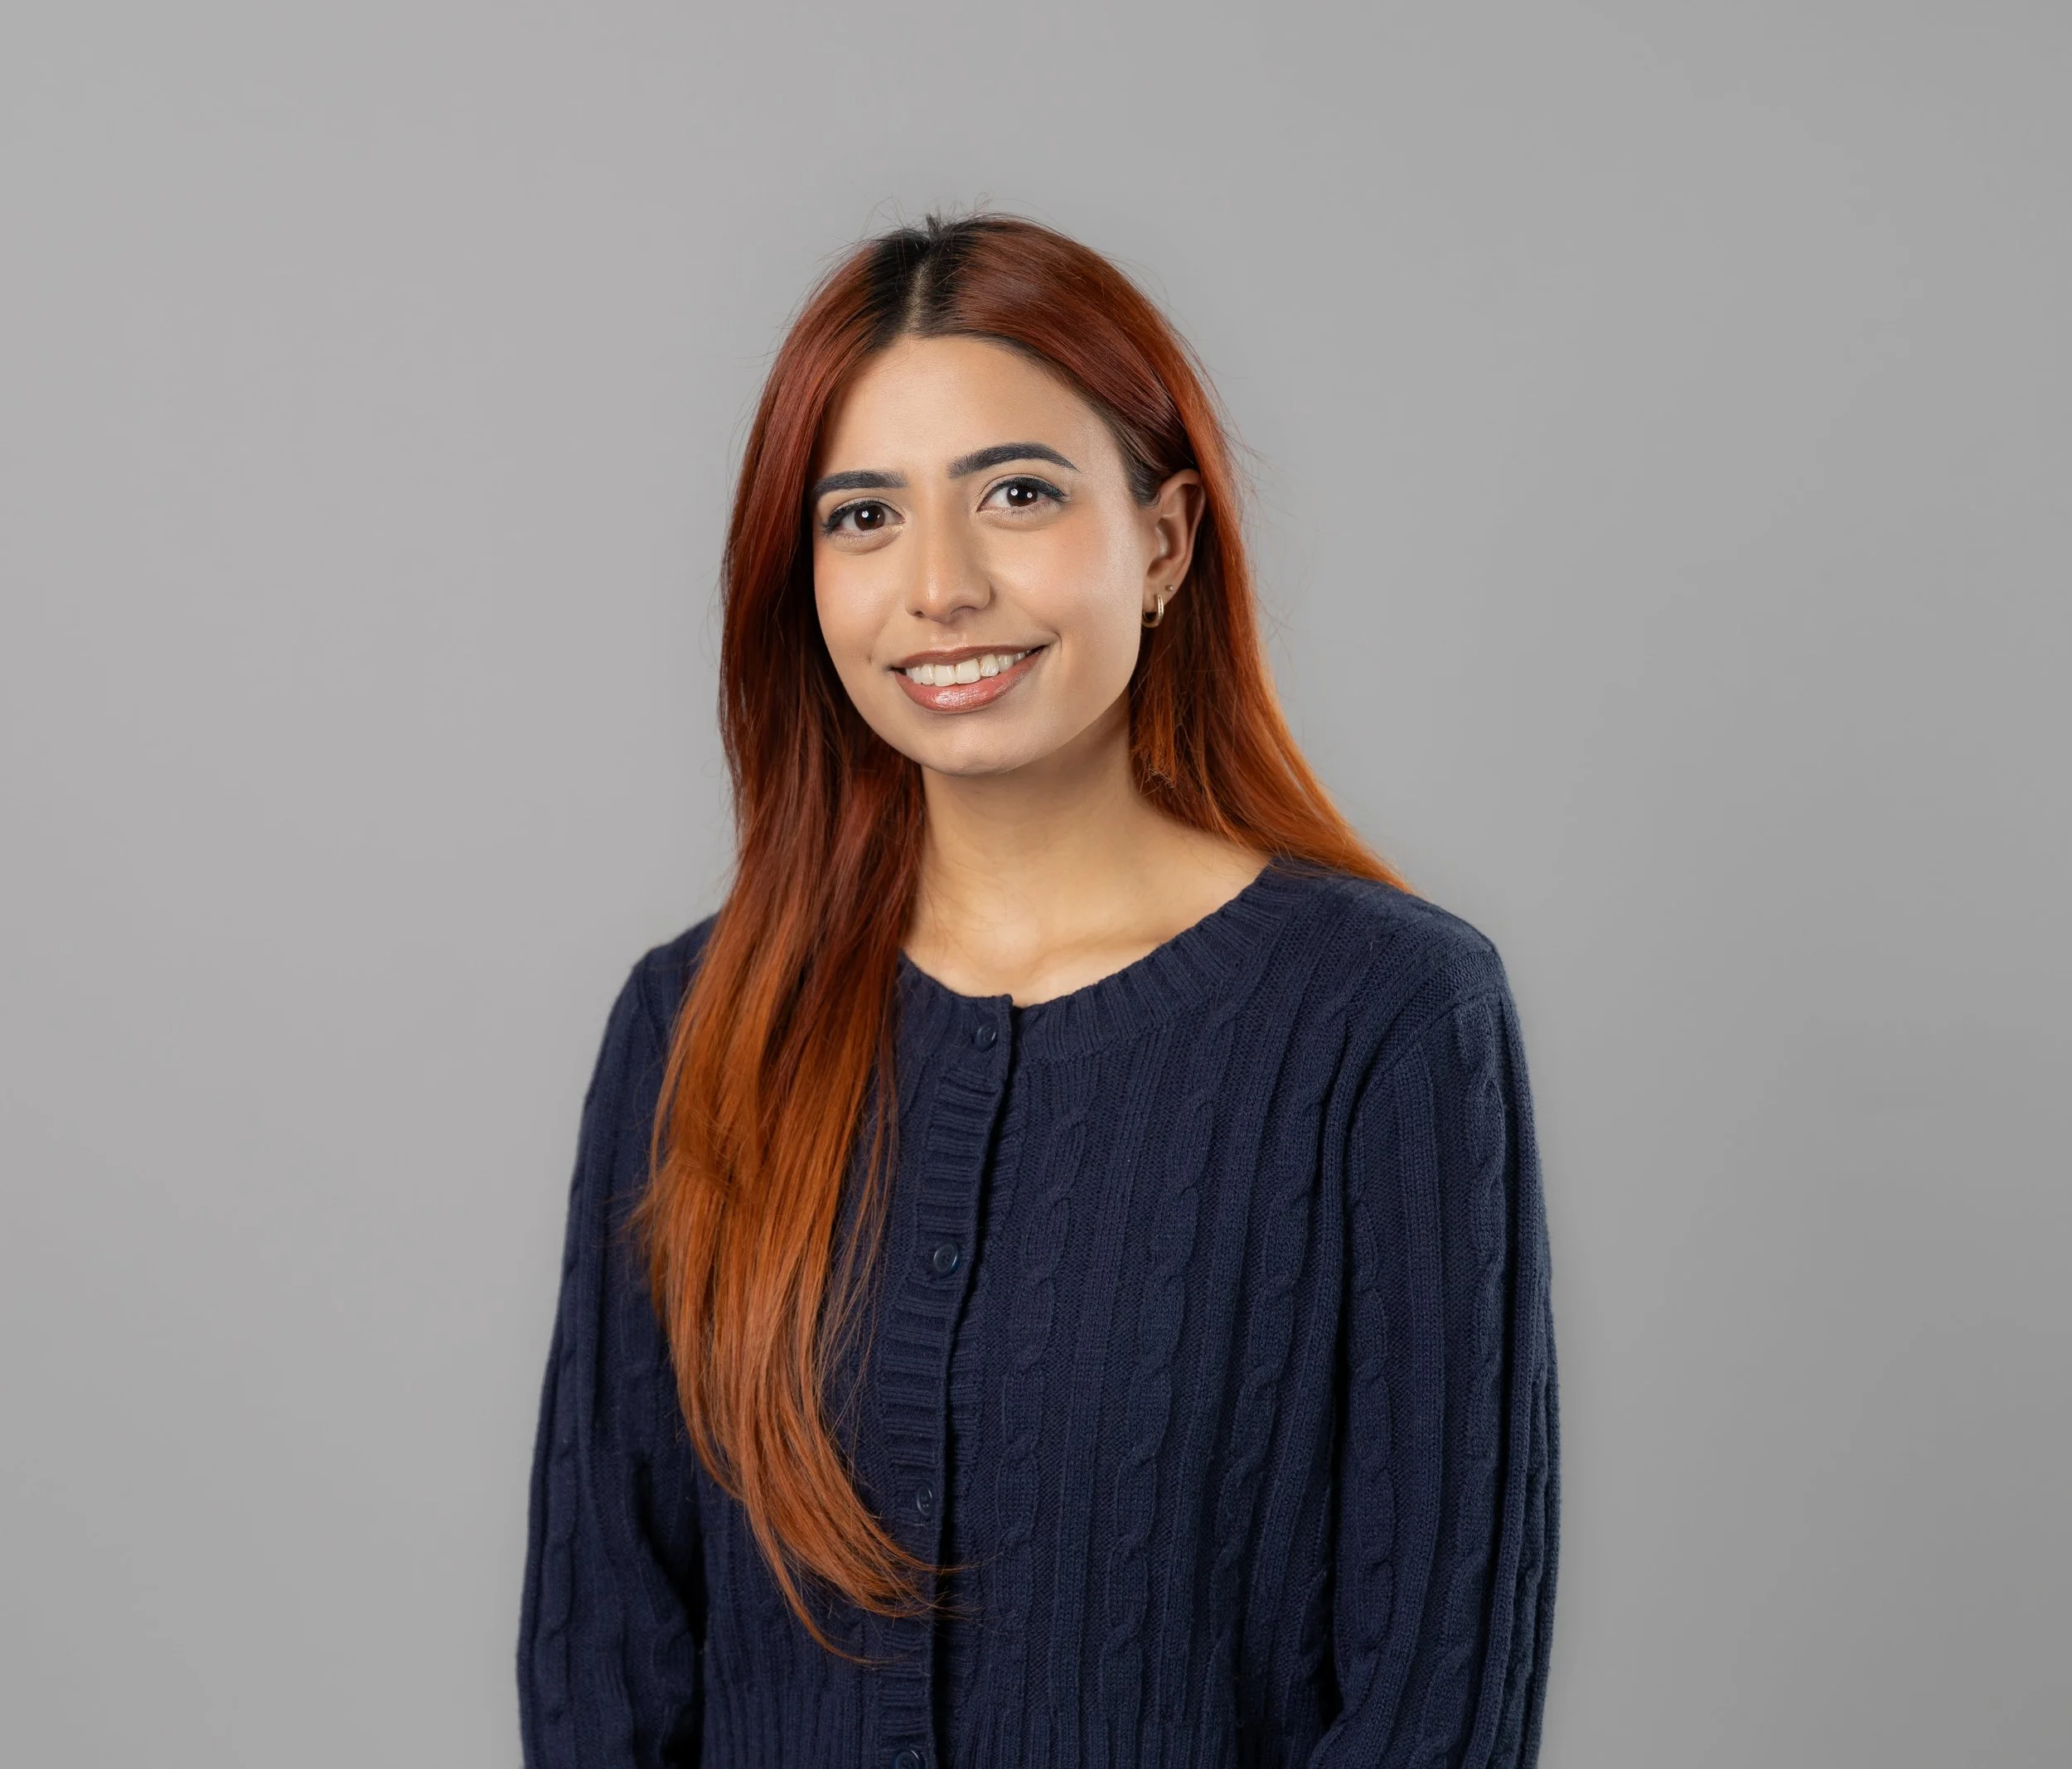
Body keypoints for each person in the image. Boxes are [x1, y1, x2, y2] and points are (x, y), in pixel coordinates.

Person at [516, 210, 1559, 1769]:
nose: (938, 585)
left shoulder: (1389, 1024)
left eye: (1016, 493)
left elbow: (1435, 1704)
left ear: (1165, 540)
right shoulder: (693, 1026)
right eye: (862, 516)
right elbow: (609, 1662)